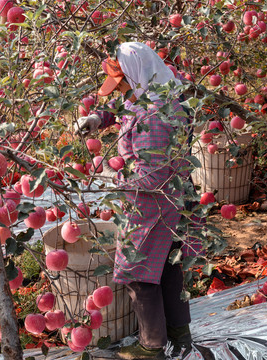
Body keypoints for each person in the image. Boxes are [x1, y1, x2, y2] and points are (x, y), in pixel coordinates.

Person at [76, 42, 193, 359]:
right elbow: (122, 106)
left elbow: (153, 175)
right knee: (169, 268)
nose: (121, 90)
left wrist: (115, 182)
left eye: (122, 82)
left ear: (136, 75)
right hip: (172, 200)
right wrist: (99, 119)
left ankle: (151, 346)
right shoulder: (157, 93)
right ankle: (180, 335)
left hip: (152, 204)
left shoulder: (153, 117)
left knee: (137, 274)